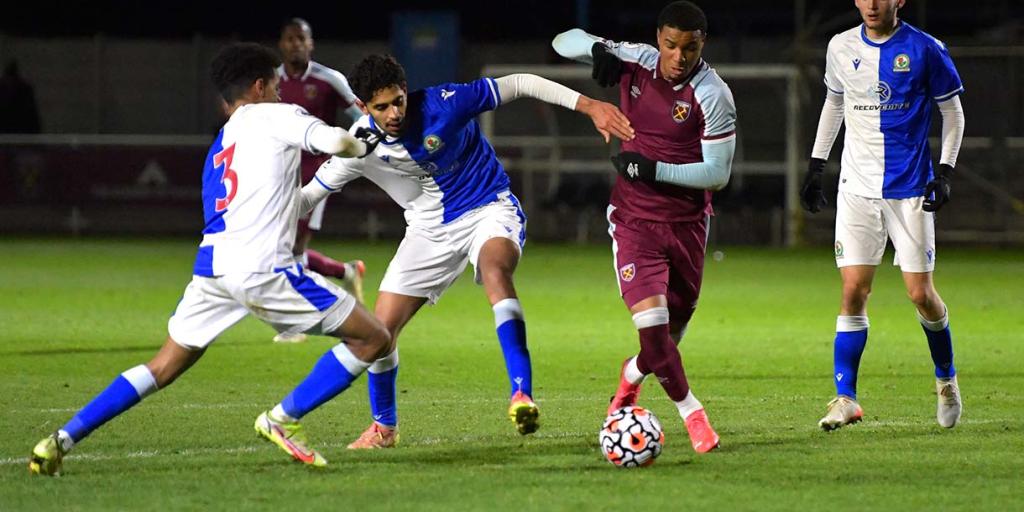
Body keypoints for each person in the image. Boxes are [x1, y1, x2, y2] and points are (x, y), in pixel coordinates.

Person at [28, 42, 391, 476]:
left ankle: (58, 441)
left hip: (213, 271)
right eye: (276, 84)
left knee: (162, 366)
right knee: (375, 338)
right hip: (263, 270)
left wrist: (321, 186)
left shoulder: (223, 143)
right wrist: (363, 137)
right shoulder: (277, 114)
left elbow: (273, 205)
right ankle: (282, 418)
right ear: (260, 85)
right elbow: (336, 141)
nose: (280, 91)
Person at [302, 54, 634, 448]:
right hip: (428, 231)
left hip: (488, 208)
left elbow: (522, 80)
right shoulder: (358, 144)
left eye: (398, 101)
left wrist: (590, 105)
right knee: (379, 334)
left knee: (495, 272)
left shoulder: (446, 102)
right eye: (381, 106)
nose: (394, 113)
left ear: (406, 92)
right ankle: (384, 428)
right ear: (361, 106)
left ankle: (521, 393)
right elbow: (306, 198)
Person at [551, 0, 735, 453]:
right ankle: (693, 415)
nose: (678, 57)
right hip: (634, 222)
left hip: (688, 227)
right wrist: (598, 51)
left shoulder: (713, 94)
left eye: (688, 48)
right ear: (658, 39)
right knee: (653, 333)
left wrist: (650, 170)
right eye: (670, 45)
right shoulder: (637, 59)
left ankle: (628, 380)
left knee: (663, 346)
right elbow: (562, 42)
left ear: (701, 45)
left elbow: (717, 174)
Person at [800, 0, 965, 431]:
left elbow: (952, 112)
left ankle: (945, 378)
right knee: (853, 289)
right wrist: (817, 166)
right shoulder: (840, 47)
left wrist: (944, 172)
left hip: (909, 188)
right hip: (856, 188)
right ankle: (845, 398)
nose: (872, 4)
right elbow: (834, 103)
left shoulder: (926, 48)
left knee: (920, 295)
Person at [275, 18, 366, 343]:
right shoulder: (271, 82)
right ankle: (346, 272)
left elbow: (360, 116)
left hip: (316, 175)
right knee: (280, 247)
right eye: (290, 38)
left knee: (293, 248)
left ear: (310, 44)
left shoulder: (329, 79)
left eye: (302, 38)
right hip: (278, 175)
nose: (296, 44)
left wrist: (362, 148)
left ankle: (299, 321)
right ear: (281, 44)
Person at [0, 59, 42, 134]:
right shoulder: (25, 88)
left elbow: (31, 113)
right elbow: (32, 114)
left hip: (15, 130)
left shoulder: (24, 89)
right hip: (18, 130)